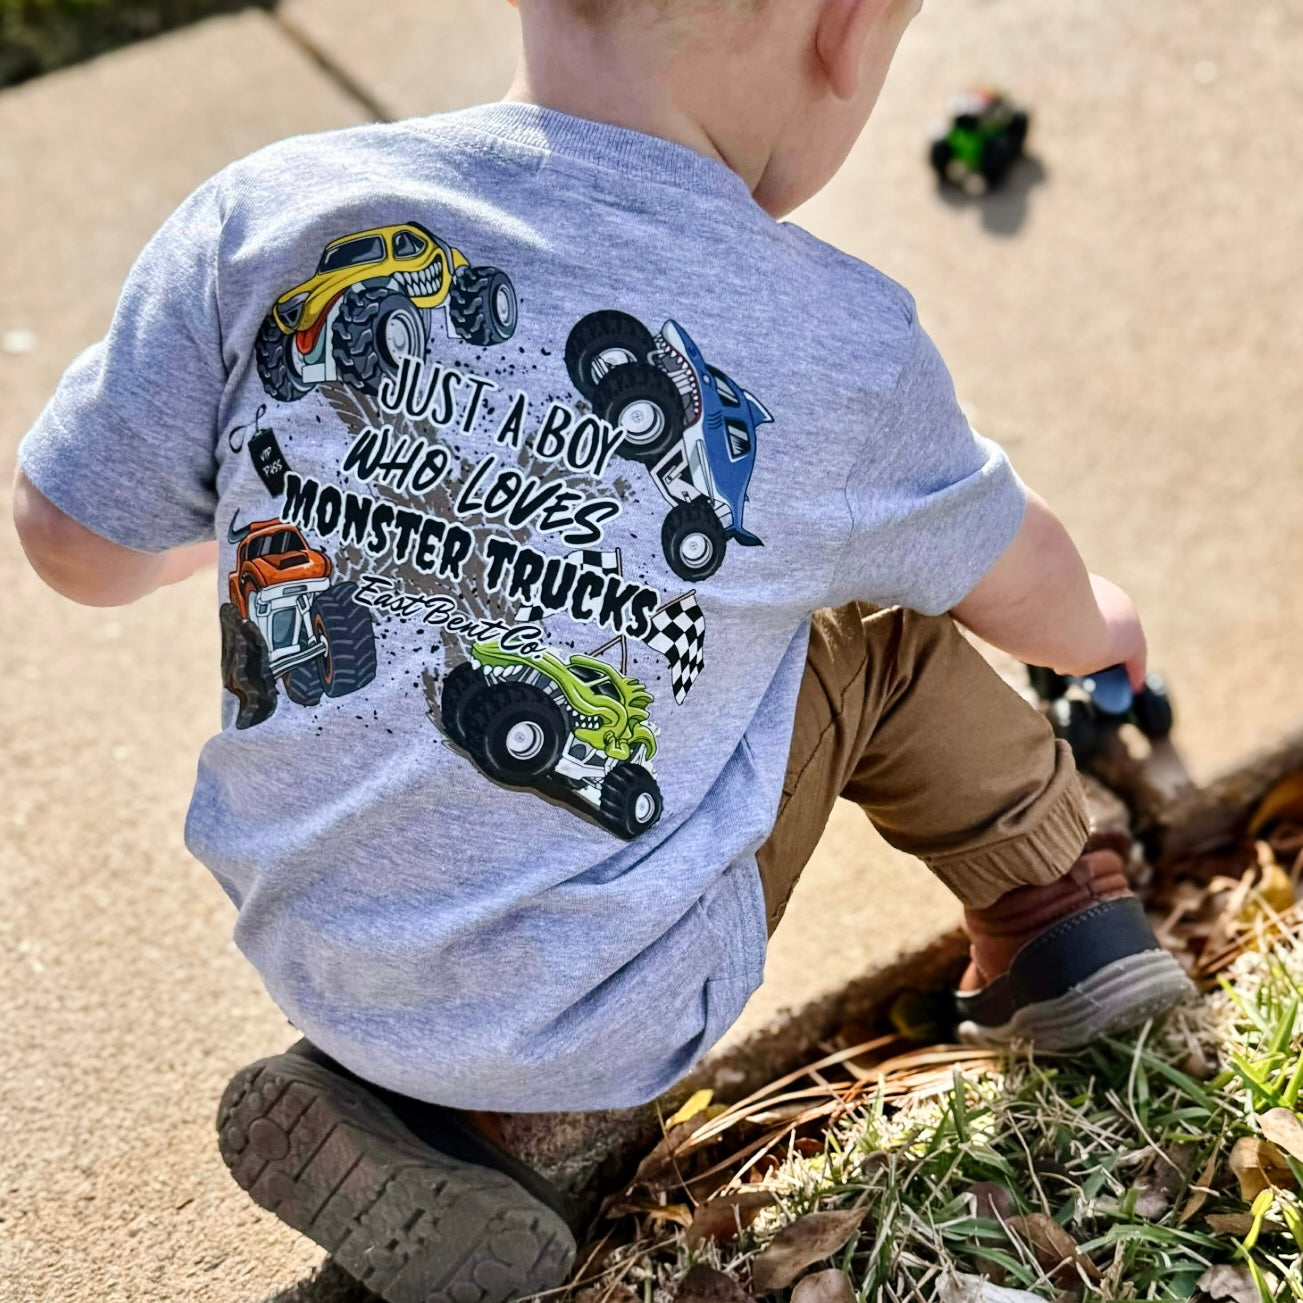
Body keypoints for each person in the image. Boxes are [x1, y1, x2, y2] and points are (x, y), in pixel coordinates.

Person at [11, 0, 1193, 1299]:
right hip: (620, 1001)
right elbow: (1016, 572)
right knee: (883, 621)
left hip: (314, 936)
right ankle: (1053, 914)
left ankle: (434, 1105)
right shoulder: (835, 344)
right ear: (848, 33)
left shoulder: (276, 212)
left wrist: (255, 506)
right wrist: (1102, 630)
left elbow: (72, 541)